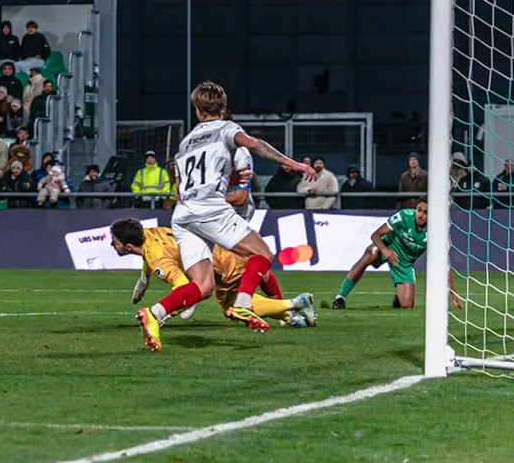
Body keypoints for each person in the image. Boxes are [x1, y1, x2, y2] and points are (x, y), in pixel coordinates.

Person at [139, 81, 313, 352]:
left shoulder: (185, 143)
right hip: (210, 207)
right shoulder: (226, 128)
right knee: (263, 254)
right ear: (223, 107)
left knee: (203, 286)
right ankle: (242, 304)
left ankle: (155, 313)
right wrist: (293, 163)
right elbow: (255, 144)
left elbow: (178, 188)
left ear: (197, 110)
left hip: (183, 214)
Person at [110, 217, 316, 327]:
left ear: (128, 246)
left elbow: (185, 286)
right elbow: (148, 253)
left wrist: (168, 312)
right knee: (257, 279)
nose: (112, 244)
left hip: (220, 266)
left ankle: (295, 304)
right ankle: (290, 317)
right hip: (220, 251)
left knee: (233, 308)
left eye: (115, 241)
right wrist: (144, 279)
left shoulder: (158, 260)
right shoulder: (149, 233)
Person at [335, 198, 459, 311]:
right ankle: (340, 297)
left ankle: (398, 296)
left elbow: (445, 266)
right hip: (387, 246)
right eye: (419, 210)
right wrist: (385, 250)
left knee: (407, 305)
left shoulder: (436, 233)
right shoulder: (404, 216)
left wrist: (454, 296)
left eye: (426, 213)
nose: (420, 215)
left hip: (404, 262)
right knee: (371, 254)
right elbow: (375, 235)